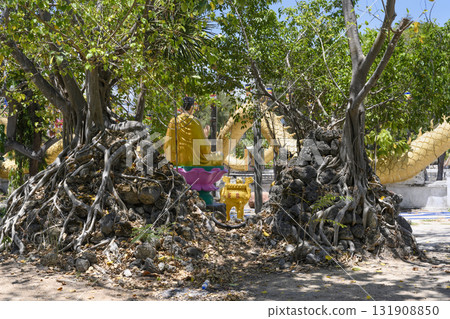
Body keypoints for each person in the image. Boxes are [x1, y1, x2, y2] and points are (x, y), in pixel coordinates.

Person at [164, 96, 222, 166]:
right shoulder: (195, 121)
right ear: (192, 107)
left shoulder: (173, 121)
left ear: (181, 108)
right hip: (195, 162)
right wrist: (206, 136)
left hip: (176, 160)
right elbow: (205, 149)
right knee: (220, 155)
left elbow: (167, 145)